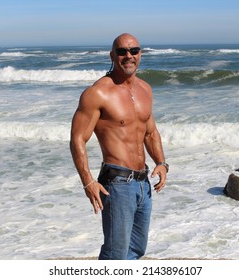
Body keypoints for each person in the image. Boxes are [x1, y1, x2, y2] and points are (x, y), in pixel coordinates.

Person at [70, 33, 168, 260]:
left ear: (140, 54)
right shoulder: (98, 93)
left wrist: (161, 163)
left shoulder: (145, 89)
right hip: (118, 184)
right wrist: (87, 181)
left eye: (134, 50)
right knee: (116, 255)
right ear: (112, 55)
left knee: (136, 251)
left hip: (143, 184)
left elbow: (150, 131)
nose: (128, 56)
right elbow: (77, 139)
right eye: (122, 51)